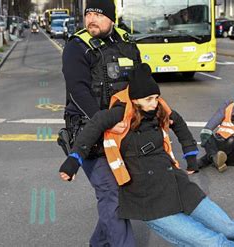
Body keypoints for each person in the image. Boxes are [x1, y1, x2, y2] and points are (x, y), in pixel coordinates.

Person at [59, 63, 234, 247]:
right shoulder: (118, 114)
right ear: (135, 99)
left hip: (177, 186)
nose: (154, 103)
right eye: (149, 99)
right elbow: (93, 127)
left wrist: (191, 155)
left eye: (156, 97)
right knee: (215, 243)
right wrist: (73, 161)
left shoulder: (158, 109)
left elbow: (180, 124)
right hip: (149, 200)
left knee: (231, 227)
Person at [59, 0, 142, 246]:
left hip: (124, 132)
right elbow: (78, 91)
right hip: (90, 135)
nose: (91, 19)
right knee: (111, 194)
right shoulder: (77, 47)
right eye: (88, 14)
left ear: (112, 18)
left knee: (120, 193)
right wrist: (104, 123)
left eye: (98, 14)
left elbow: (140, 83)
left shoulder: (127, 42)